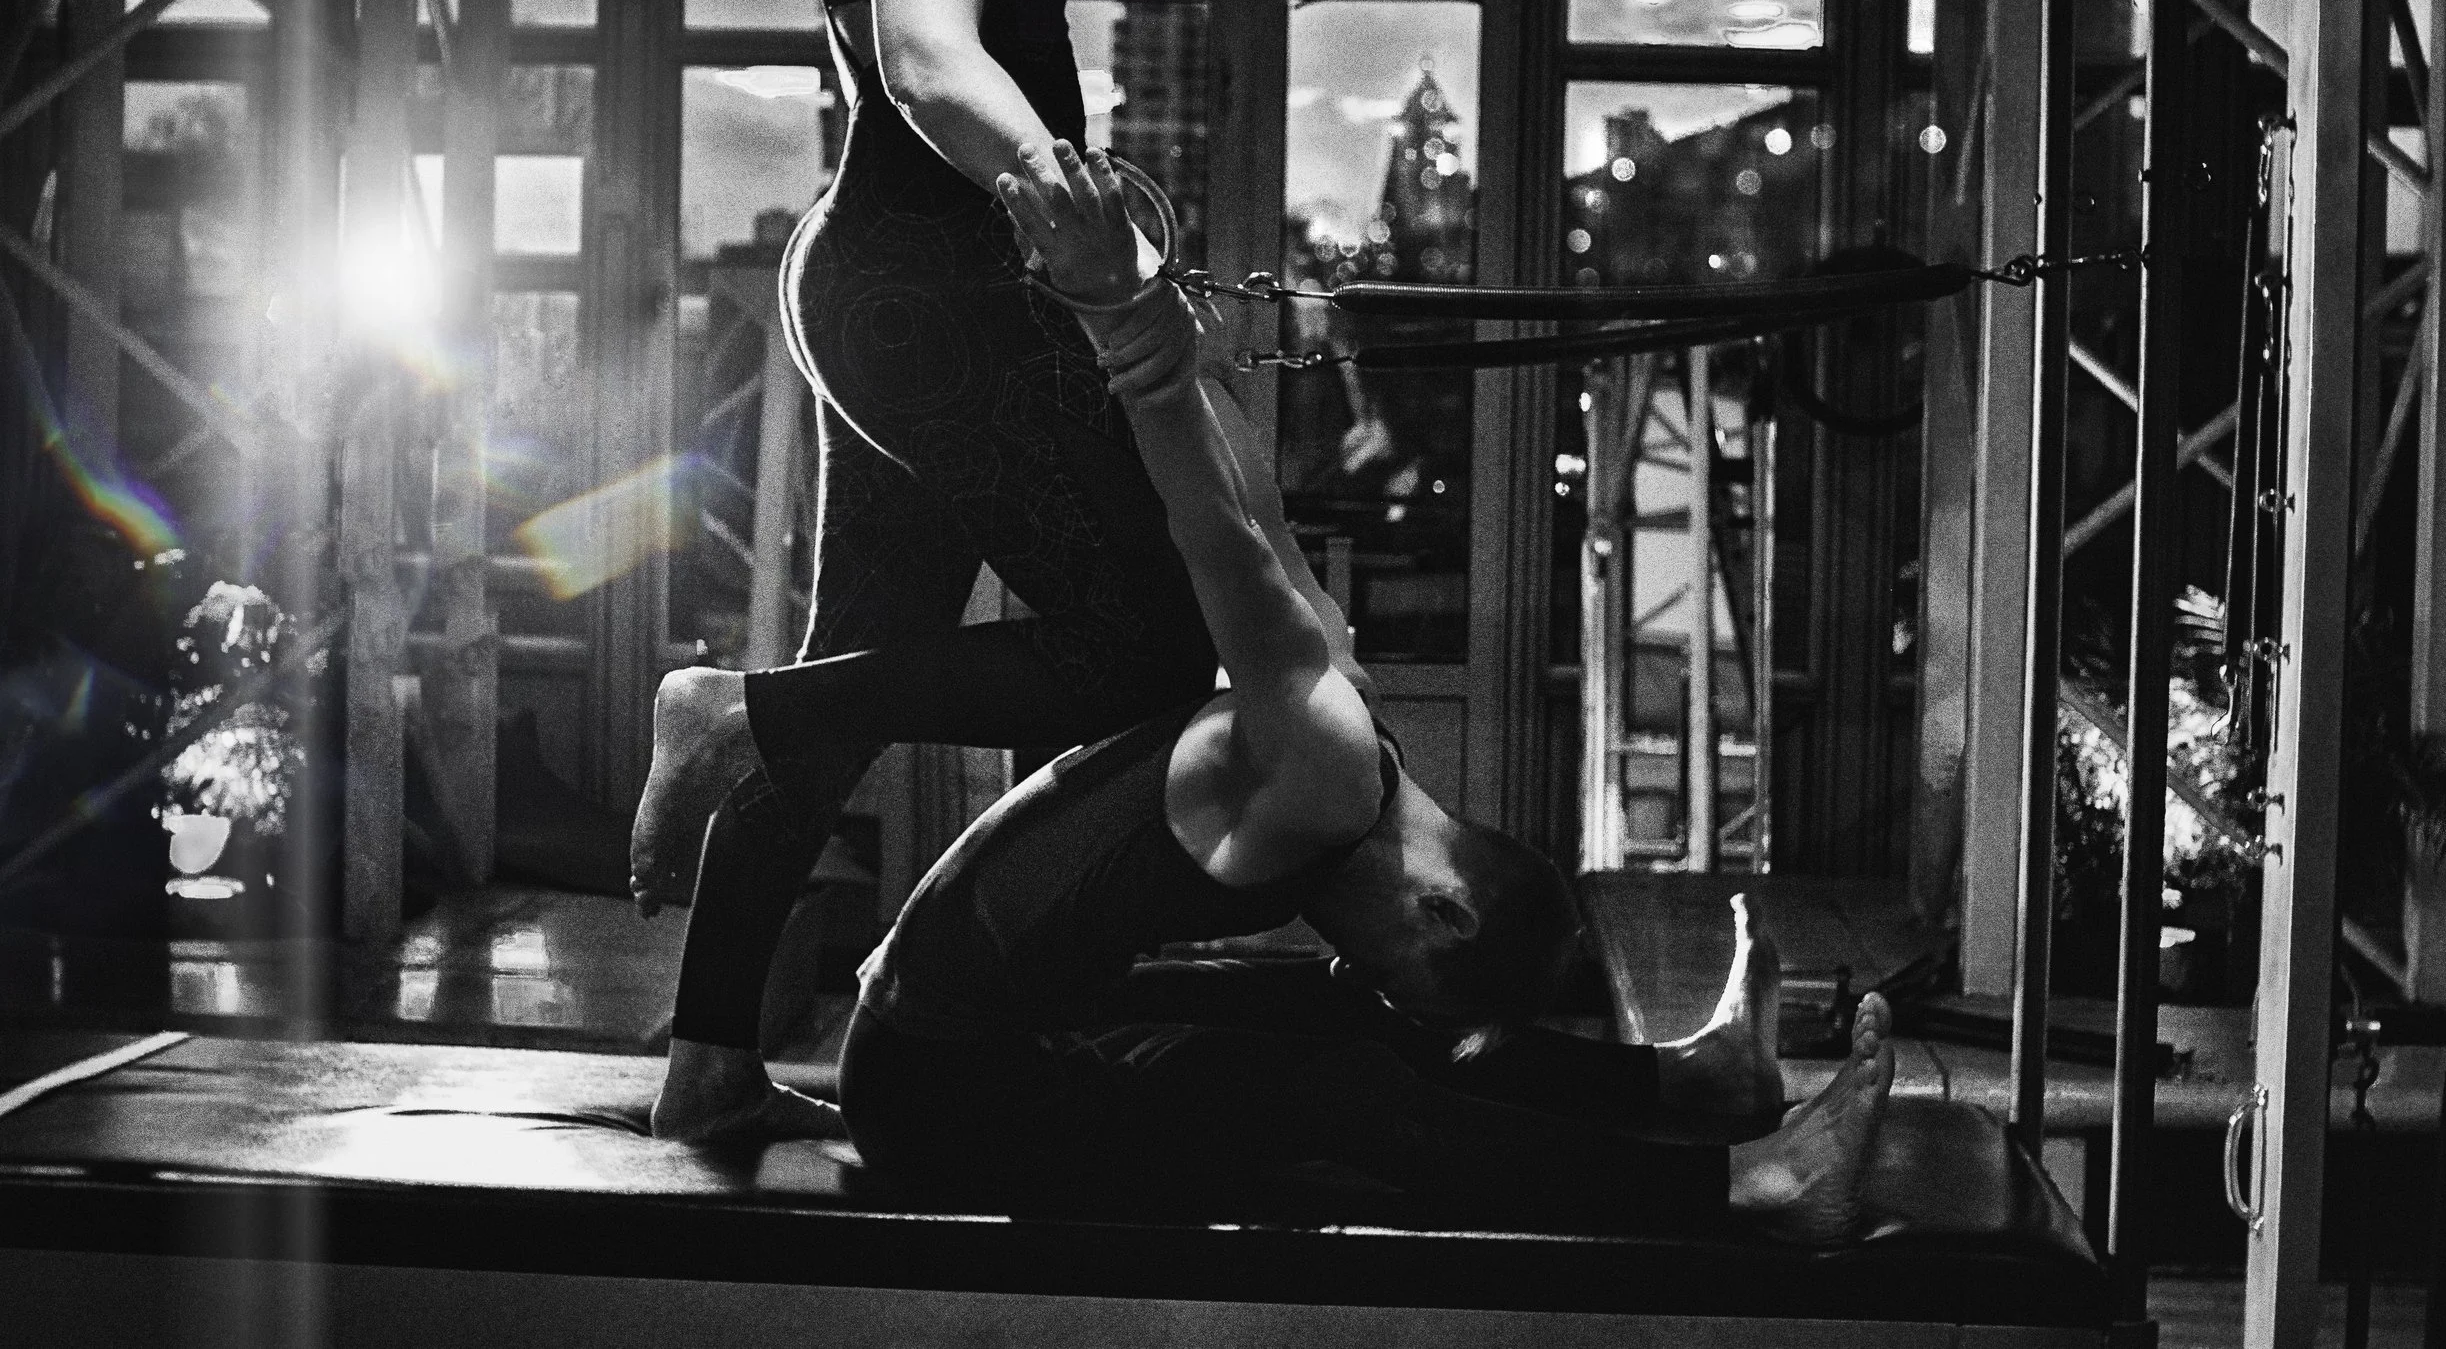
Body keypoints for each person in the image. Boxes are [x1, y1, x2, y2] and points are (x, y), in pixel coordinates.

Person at [663, 137, 1899, 1242]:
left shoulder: (1342, 707)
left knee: (1346, 1022)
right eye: (1404, 969)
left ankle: (1696, 1085)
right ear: (1444, 909)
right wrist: (1121, 315)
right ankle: (1752, 1196)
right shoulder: (1314, 755)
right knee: (1342, 1084)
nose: (1377, 970)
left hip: (964, 1031)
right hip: (940, 1092)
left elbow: (1248, 494)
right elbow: (1223, 537)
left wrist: (1168, 341)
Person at [628, 0, 1224, 1141]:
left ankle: (708, 1064)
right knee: (1164, 653)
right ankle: (727, 711)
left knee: (858, 665)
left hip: (892, 280)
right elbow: (929, 51)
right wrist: (1070, 201)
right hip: (939, 291)